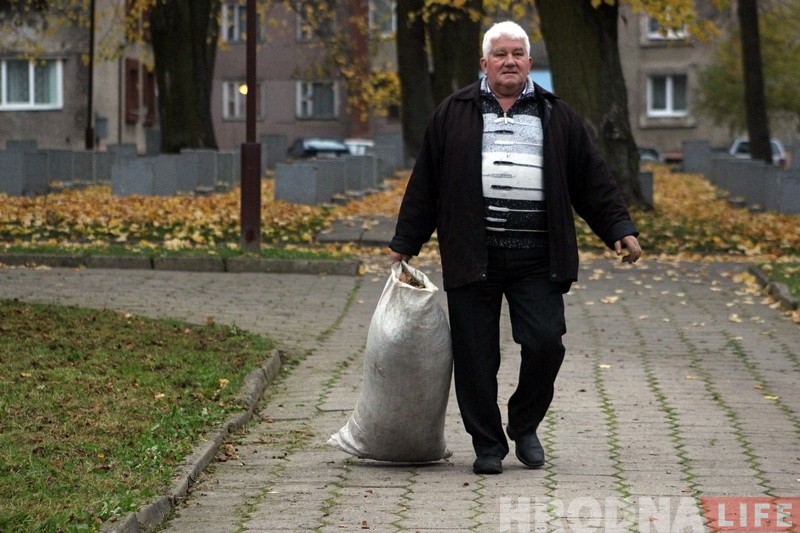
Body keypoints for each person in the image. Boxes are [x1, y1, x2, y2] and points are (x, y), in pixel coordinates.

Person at [388, 20, 642, 475]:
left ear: (529, 61)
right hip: (472, 253)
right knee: (474, 355)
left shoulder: (555, 114)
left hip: (538, 258)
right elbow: (425, 182)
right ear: (484, 63)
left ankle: (524, 425)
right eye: (500, 54)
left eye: (518, 53)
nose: (510, 61)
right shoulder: (454, 112)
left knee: (546, 343)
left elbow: (592, 180)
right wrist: (406, 241)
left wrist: (619, 227)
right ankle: (487, 445)